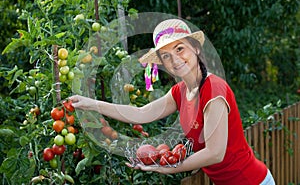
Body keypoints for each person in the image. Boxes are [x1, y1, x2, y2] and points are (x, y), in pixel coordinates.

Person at [69, 19, 275, 184]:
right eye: (166, 56)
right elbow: (141, 113)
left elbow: (215, 153)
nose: (175, 59)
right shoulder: (180, 91)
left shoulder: (214, 89)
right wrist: (91, 103)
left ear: (195, 48)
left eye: (179, 49)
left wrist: (166, 167)